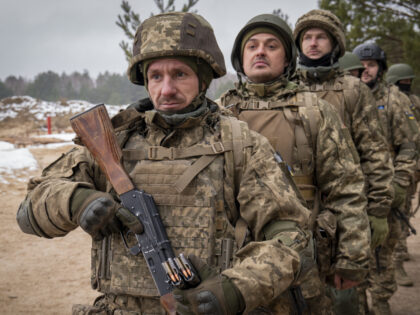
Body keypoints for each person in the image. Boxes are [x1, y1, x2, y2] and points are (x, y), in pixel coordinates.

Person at [16, 12, 315, 315]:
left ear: (203, 79)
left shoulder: (241, 145)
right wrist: (75, 201)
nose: (167, 89)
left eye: (180, 74)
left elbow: (294, 241)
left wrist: (235, 289)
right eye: (156, 76)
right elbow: (29, 211)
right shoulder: (113, 144)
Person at [218, 13, 370, 315]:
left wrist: (352, 258)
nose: (260, 51)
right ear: (241, 57)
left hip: (306, 261)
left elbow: (346, 188)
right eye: (252, 46)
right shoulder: (221, 112)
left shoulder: (316, 111)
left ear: (287, 57)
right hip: (236, 264)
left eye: (271, 45)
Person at [292, 10, 394, 314]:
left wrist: (377, 211)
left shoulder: (353, 90)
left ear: (334, 43)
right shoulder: (287, 89)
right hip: (297, 208)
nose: (313, 43)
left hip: (343, 209)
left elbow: (375, 152)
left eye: (320, 37)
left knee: (344, 293)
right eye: (307, 37)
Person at [353, 42, 418, 314]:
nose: (366, 70)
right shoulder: (346, 96)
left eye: (371, 65)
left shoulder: (395, 99)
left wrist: (400, 183)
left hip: (385, 192)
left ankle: (381, 305)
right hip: (351, 194)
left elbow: (409, 145)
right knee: (352, 260)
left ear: (380, 68)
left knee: (382, 258)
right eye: (362, 66)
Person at [386, 62, 420, 287]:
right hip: (391, 168)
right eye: (402, 82)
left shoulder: (415, 102)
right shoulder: (389, 100)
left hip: (410, 164)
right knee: (396, 214)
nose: (406, 85)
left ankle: (401, 249)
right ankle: (395, 262)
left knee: (405, 209)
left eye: (409, 82)